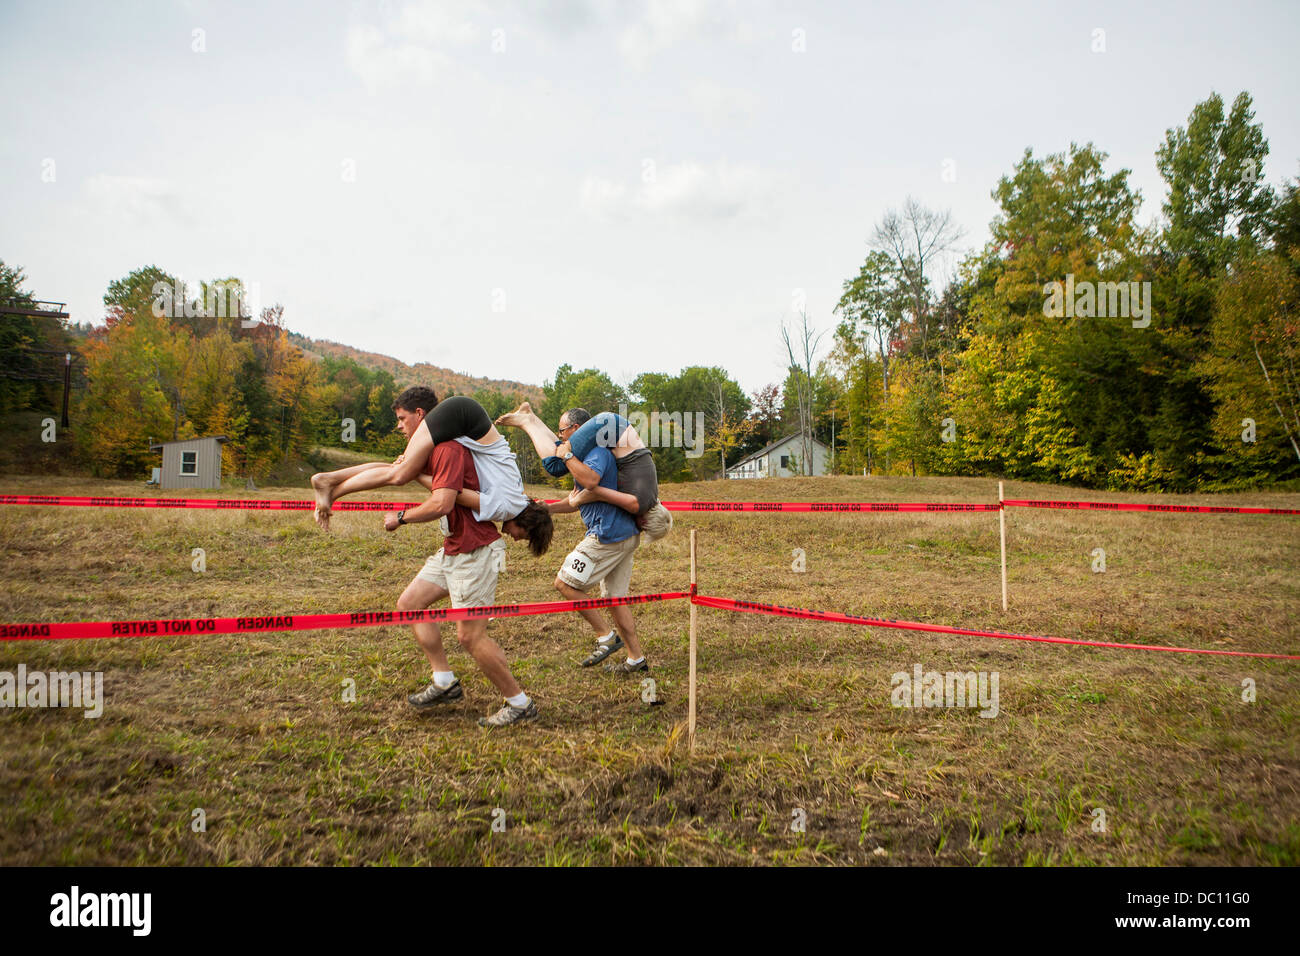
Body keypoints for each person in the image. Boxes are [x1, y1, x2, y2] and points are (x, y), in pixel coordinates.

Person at [385, 433, 539, 727]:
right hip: (453, 549)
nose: (401, 429)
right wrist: (414, 469)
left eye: (404, 420)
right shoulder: (442, 450)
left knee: (470, 636)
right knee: (410, 603)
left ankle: (520, 703)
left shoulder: (453, 450)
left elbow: (448, 495)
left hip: (475, 553)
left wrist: (403, 512)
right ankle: (445, 682)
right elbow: (444, 487)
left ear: (421, 416)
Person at [311, 388, 553, 556]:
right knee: (401, 474)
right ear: (527, 524)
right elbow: (455, 495)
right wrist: (416, 474)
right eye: (525, 536)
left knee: (399, 469)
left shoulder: (516, 498)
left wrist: (415, 471)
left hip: (466, 415)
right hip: (463, 416)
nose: (517, 538)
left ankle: (330, 483)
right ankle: (329, 487)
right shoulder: (507, 508)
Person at [545, 408, 650, 675]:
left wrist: (566, 454)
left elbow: (590, 483)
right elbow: (578, 500)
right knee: (615, 598)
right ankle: (636, 659)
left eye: (562, 431)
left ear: (577, 429)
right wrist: (548, 510)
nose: (561, 437)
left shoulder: (596, 453)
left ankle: (606, 637)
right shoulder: (590, 456)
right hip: (623, 534)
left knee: (564, 584)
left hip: (607, 535)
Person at [496, 402, 672, 542]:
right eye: (644, 530)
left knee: (561, 452)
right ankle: (527, 421)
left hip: (614, 427)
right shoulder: (637, 505)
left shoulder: (650, 496)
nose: (640, 529)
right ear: (646, 522)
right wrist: (577, 499)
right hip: (611, 429)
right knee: (556, 465)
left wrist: (552, 507)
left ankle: (531, 417)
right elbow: (595, 491)